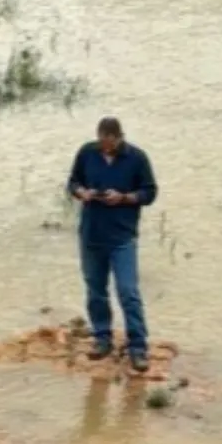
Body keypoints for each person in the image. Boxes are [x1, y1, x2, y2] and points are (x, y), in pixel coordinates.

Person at [66, 117, 158, 372]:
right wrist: (82, 193)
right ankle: (102, 337)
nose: (105, 148)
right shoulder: (87, 152)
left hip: (122, 237)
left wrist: (124, 197)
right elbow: (72, 182)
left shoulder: (137, 158)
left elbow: (150, 193)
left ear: (119, 137)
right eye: (101, 143)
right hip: (91, 235)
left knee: (128, 291)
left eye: (110, 143)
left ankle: (138, 346)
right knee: (96, 290)